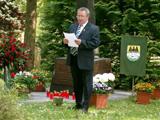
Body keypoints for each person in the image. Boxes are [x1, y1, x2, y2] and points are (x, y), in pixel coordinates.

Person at [63, 7, 100, 113]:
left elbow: (95, 43)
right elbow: (68, 43)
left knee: (87, 85)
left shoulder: (93, 29)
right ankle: (78, 103)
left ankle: (85, 106)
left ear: (87, 16)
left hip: (85, 61)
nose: (80, 18)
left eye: (82, 16)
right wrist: (64, 42)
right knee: (77, 83)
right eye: (78, 16)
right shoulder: (72, 27)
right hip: (74, 59)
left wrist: (82, 43)